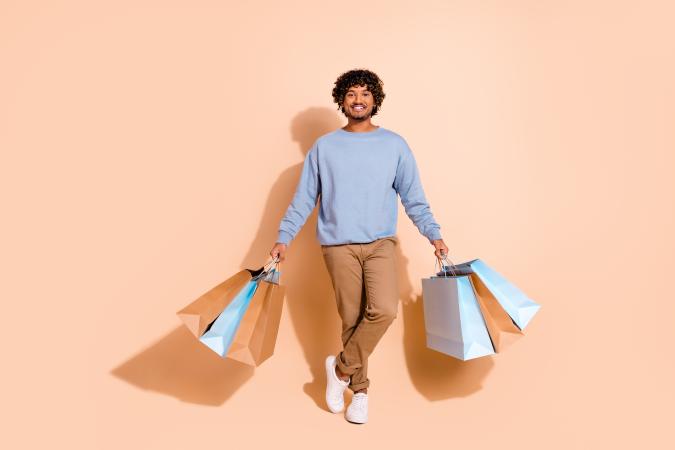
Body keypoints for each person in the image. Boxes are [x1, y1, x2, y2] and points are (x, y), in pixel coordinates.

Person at [269, 69, 448, 424]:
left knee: (383, 310)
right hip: (338, 246)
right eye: (351, 93)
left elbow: (414, 198)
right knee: (351, 319)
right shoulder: (325, 148)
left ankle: (338, 370)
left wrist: (433, 234)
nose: (358, 99)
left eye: (365, 93)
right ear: (342, 99)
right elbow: (304, 199)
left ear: (375, 100)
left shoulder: (395, 145)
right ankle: (361, 392)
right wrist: (283, 237)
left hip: (380, 242)